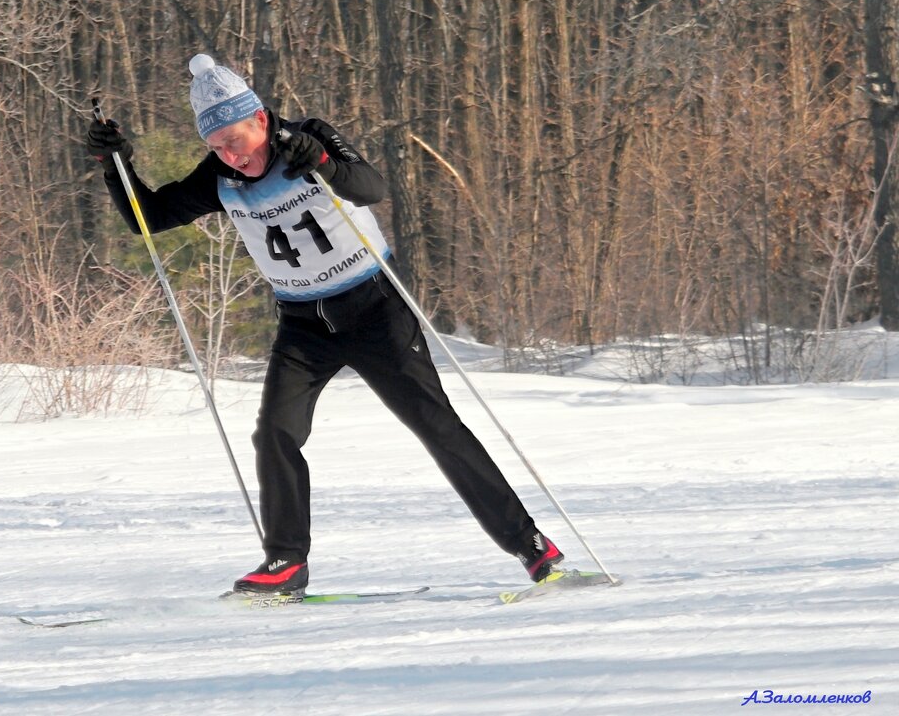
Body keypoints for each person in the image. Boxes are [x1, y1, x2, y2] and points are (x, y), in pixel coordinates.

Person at [86, 54, 563, 595]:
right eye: (217, 147)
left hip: (375, 309)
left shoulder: (306, 137)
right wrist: (115, 166)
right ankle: (286, 562)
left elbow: (371, 188)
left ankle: (532, 547)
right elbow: (147, 218)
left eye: (235, 141)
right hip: (303, 325)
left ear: (259, 119)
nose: (230, 156)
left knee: (437, 426)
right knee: (275, 433)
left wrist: (324, 162)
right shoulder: (219, 176)